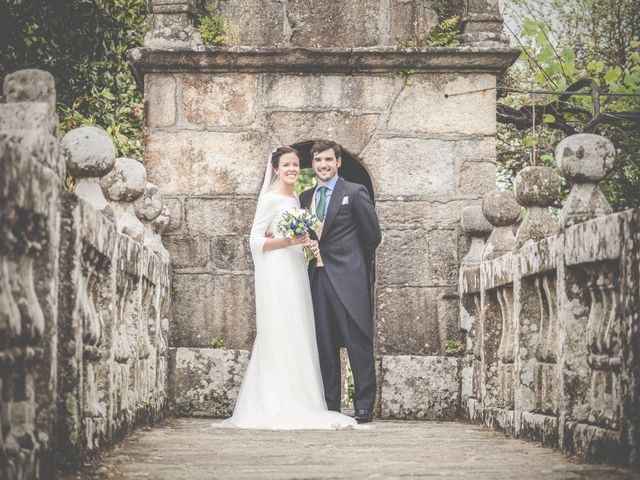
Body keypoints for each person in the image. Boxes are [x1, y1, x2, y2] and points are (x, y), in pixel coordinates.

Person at [216, 146, 358, 430]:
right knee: (280, 328)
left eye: (295, 165)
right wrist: (287, 242)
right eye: (287, 166)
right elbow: (255, 241)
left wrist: (306, 242)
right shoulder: (269, 199)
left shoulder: (296, 198)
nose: (292, 169)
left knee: (298, 329)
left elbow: (298, 234)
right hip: (278, 271)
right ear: (276, 169)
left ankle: (301, 398)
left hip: (296, 270)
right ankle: (276, 400)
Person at [300, 139, 382, 424]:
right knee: (323, 342)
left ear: (338, 162)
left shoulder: (355, 192)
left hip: (349, 279)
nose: (323, 165)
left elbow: (373, 236)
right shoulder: (305, 197)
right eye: (319, 161)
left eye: (328, 160)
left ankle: (363, 406)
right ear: (313, 164)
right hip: (316, 278)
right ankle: (329, 404)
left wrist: (351, 262)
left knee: (356, 340)